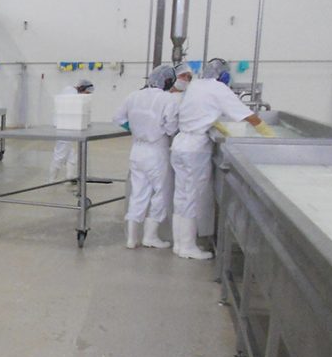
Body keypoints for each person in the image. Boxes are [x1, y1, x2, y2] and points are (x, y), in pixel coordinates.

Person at [171, 58, 273, 259]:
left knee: (181, 196)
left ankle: (179, 244)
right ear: (223, 75)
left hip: (180, 144)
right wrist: (268, 134)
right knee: (192, 197)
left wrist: (216, 124)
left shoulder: (195, 85)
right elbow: (247, 116)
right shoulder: (218, 88)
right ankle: (188, 247)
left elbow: (201, 111)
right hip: (195, 147)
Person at [113, 64, 180, 249]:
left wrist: (135, 128)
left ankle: (131, 238)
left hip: (137, 149)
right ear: (168, 81)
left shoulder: (133, 96)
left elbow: (118, 117)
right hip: (156, 151)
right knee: (161, 192)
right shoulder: (168, 99)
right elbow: (171, 128)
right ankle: (150, 236)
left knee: (138, 193)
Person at [49, 78, 93, 186]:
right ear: (82, 88)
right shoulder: (71, 93)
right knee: (60, 154)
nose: (86, 95)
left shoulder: (70, 91)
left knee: (71, 155)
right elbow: (75, 109)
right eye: (86, 93)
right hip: (64, 128)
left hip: (67, 127)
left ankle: (70, 177)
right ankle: (51, 180)